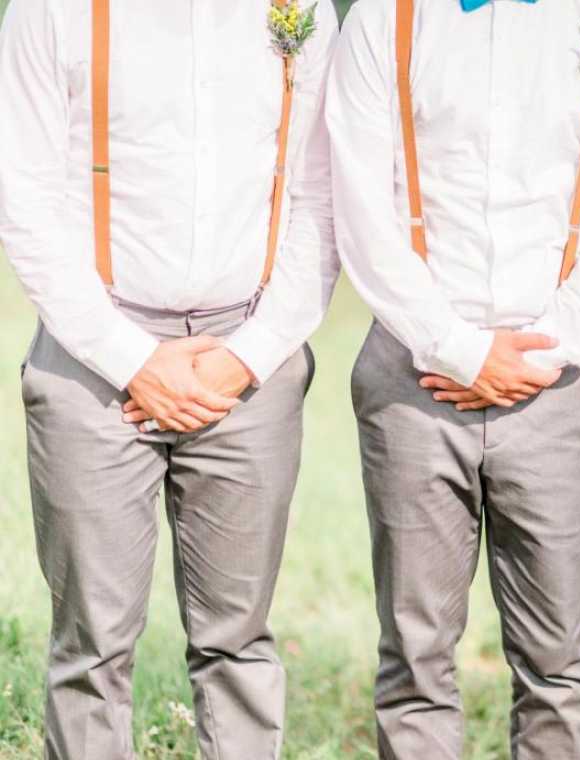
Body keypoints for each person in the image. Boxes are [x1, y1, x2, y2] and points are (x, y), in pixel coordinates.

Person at [0, 0, 339, 757]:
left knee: (239, 643)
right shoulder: (50, 11)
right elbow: (25, 197)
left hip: (249, 353)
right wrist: (131, 358)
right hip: (92, 353)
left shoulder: (303, 10)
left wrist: (248, 354)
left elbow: (319, 195)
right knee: (90, 649)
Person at [326, 0, 580, 757]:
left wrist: (547, 349)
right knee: (415, 657)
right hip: (414, 373)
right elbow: (362, 206)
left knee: (557, 663)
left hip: (556, 380)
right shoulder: (384, 17)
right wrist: (460, 350)